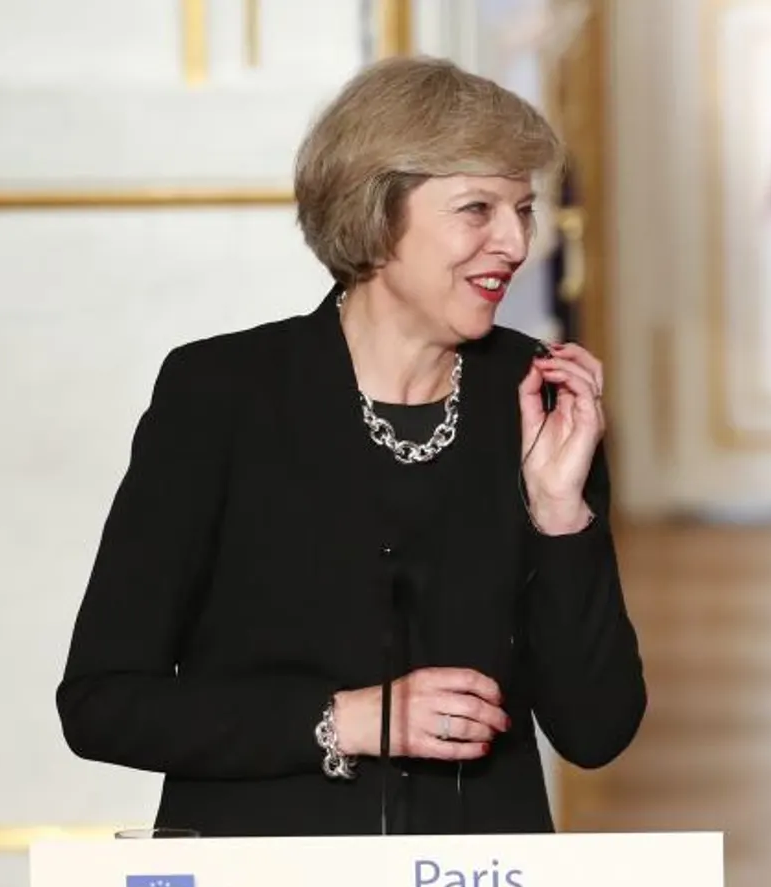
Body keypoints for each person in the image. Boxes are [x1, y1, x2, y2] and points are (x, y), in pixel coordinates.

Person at [56, 56, 646, 837]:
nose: (514, 242)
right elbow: (102, 703)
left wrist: (560, 513)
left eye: (524, 209)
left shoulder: (535, 399)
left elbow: (597, 730)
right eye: (477, 209)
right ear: (377, 213)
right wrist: (346, 720)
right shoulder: (220, 394)